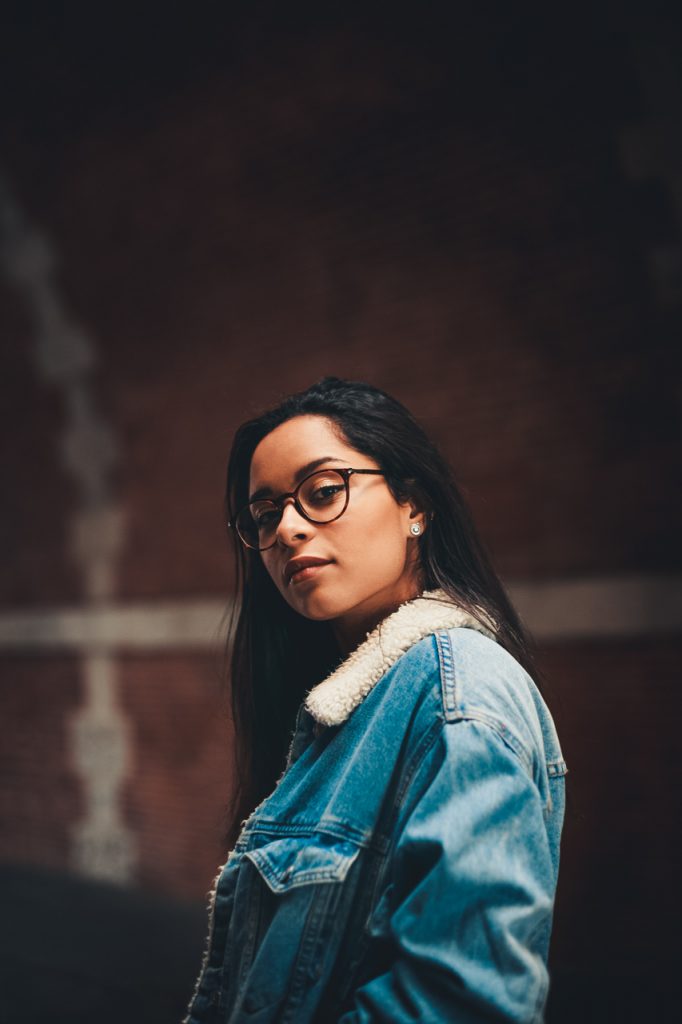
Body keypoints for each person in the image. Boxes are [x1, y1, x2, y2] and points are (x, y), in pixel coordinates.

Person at [183, 377, 567, 1023]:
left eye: (323, 492)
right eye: (266, 513)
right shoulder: (355, 699)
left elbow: (460, 1005)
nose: (288, 529)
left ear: (413, 505)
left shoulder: (459, 697)